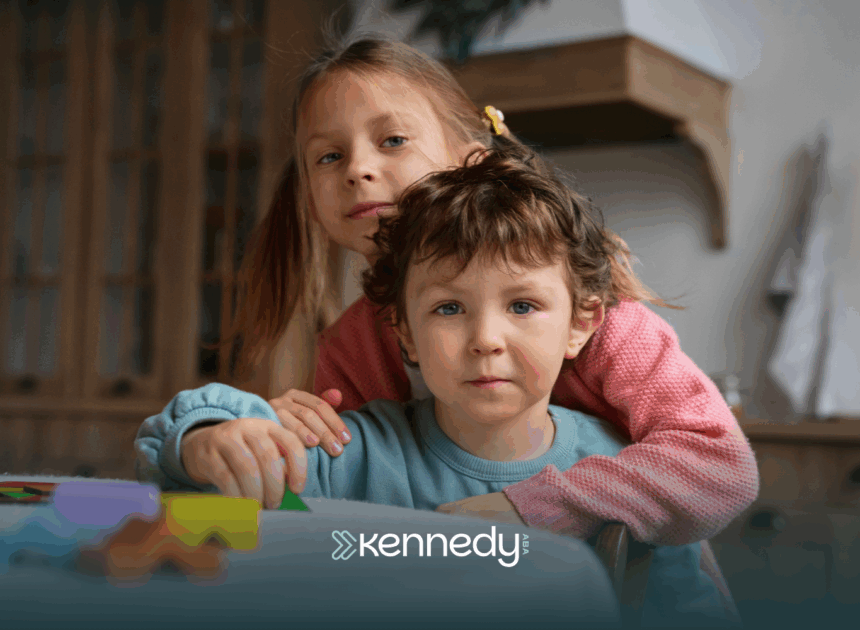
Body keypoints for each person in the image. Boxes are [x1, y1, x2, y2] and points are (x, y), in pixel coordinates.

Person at [136, 149, 734, 627]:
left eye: (523, 305)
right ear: (407, 335)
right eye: (449, 308)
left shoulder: (628, 475)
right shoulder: (358, 455)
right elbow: (189, 478)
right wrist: (209, 436)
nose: (485, 339)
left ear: (581, 325)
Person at [216, 35, 758, 546]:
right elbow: (346, 497)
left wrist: (534, 507)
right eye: (328, 156)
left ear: (471, 158)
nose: (358, 168)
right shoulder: (348, 350)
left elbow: (720, 465)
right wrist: (271, 435)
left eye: (393, 140)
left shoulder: (601, 316)